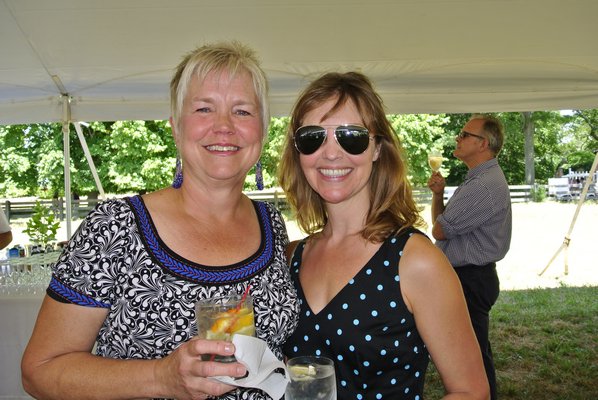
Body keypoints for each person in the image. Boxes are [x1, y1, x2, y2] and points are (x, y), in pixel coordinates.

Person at [22, 41, 299, 400]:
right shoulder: (115, 227)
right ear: (175, 128)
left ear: (262, 131)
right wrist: (160, 376)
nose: (224, 127)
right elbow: (39, 371)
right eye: (204, 109)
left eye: (243, 112)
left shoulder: (272, 224)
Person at [279, 72, 489, 400]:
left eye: (351, 136)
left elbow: (471, 391)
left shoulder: (415, 260)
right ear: (298, 152)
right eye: (312, 137)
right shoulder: (292, 256)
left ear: (377, 148)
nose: (331, 153)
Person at [427, 114, 512, 400]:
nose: (458, 138)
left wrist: (440, 213)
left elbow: (439, 230)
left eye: (464, 134)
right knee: (474, 350)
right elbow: (443, 225)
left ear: (483, 143)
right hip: (471, 276)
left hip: (471, 278)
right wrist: (439, 194)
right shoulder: (478, 178)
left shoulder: (482, 186)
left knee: (471, 356)